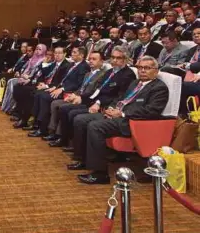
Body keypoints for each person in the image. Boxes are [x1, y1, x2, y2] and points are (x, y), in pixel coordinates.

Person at [71, 56, 168, 185]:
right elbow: (121, 98)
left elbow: (151, 111)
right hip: (116, 115)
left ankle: (100, 174)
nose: (142, 71)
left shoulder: (159, 88)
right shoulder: (135, 83)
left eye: (147, 68)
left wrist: (122, 113)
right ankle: (84, 160)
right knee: (80, 119)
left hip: (131, 122)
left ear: (156, 71)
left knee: (95, 126)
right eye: (140, 67)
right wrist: (112, 107)